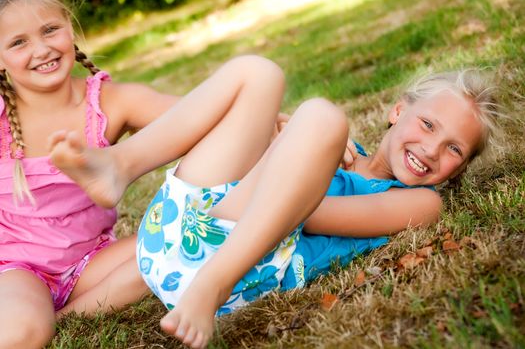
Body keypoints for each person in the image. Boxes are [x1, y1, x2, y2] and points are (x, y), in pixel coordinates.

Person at [49, 62, 503, 349]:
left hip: (244, 269)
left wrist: (303, 146)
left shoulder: (421, 204)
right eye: (427, 124)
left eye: (454, 150)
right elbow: (262, 179)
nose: (430, 149)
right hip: (175, 234)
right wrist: (287, 141)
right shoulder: (340, 151)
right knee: (259, 73)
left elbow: (302, 211)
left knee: (322, 115)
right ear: (396, 111)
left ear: (459, 168)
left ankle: (211, 285)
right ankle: (121, 165)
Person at [0, 0, 290, 348]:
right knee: (22, 333)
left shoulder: (110, 101)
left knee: (174, 251)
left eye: (50, 30)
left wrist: (282, 122)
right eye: (18, 42)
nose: (42, 49)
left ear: (70, 27)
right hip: (16, 268)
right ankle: (38, 315)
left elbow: (204, 114)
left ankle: (67, 316)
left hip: (92, 262)